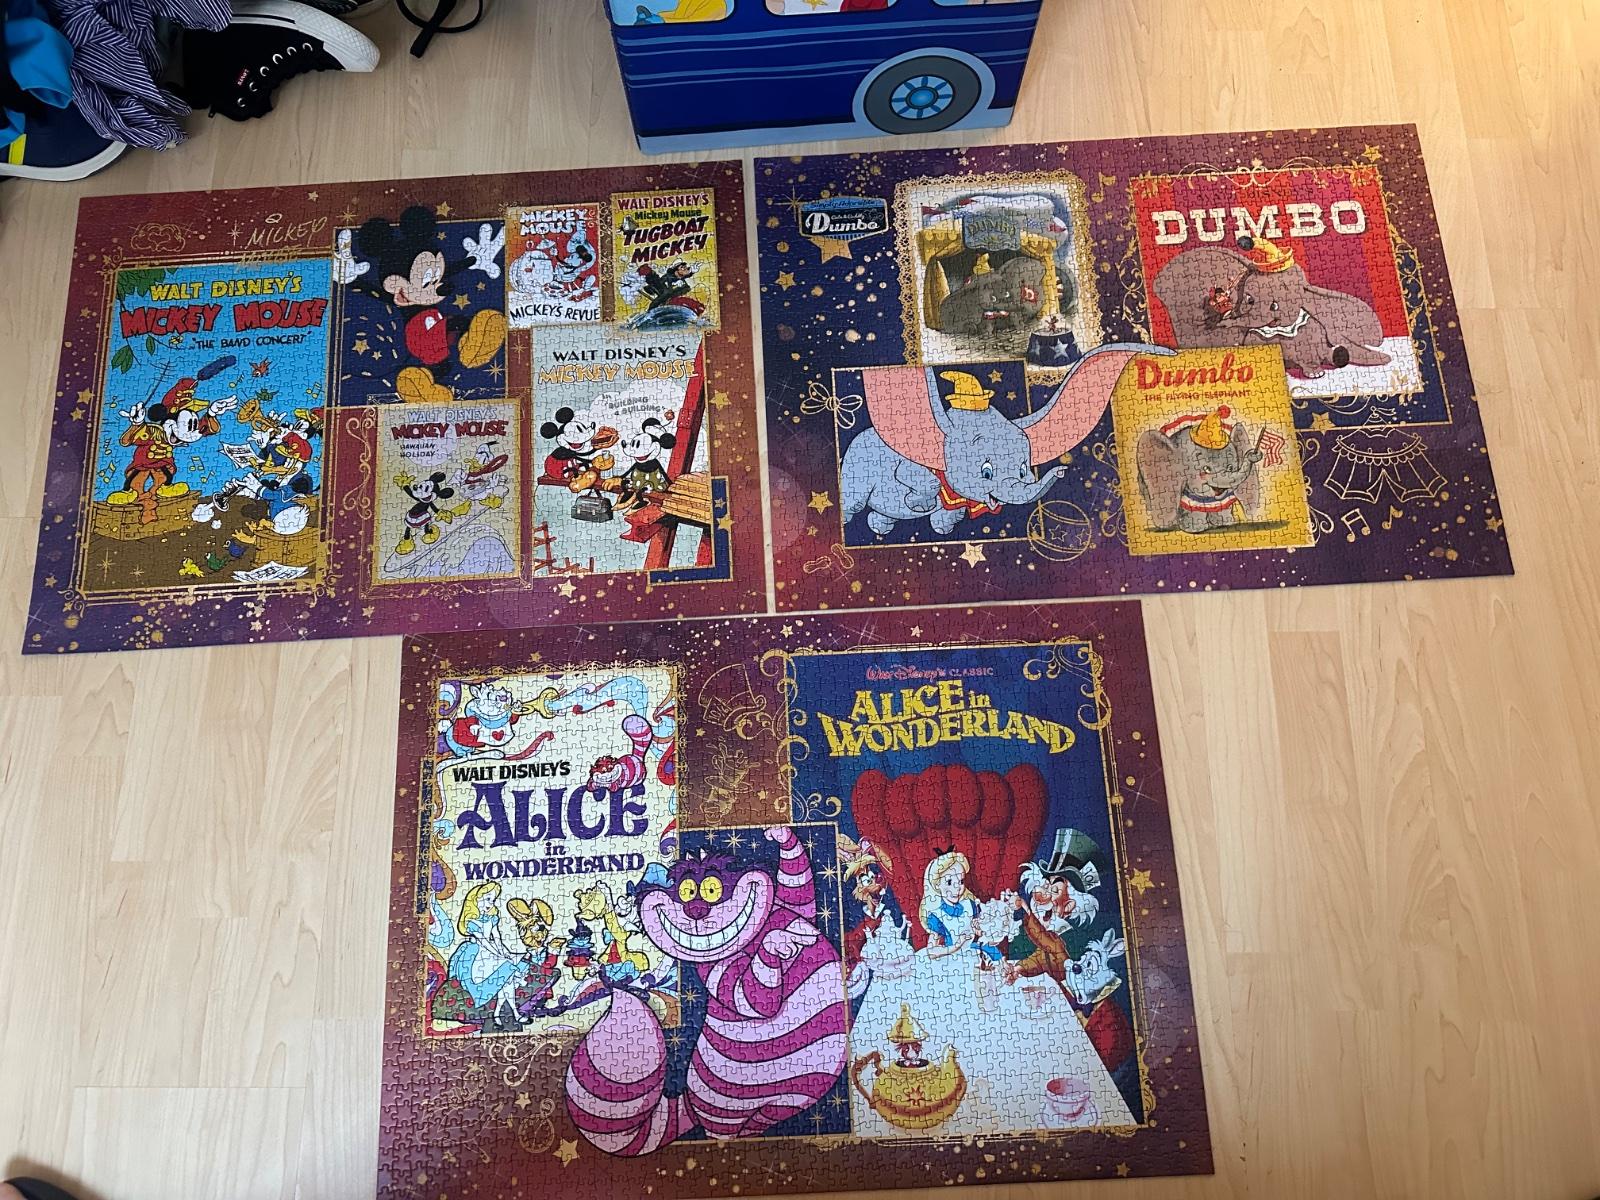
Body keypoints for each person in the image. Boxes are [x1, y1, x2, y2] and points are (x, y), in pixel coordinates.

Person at [918, 847, 1001, 963]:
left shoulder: (970, 905)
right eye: (949, 882)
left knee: (994, 954)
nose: (957, 887)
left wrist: (980, 931)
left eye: (961, 881)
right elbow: (931, 952)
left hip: (973, 953)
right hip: (952, 960)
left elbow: (980, 933)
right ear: (937, 885)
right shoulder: (936, 915)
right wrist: (956, 946)